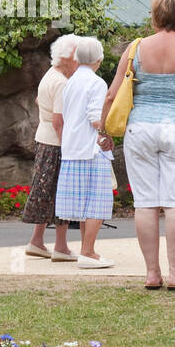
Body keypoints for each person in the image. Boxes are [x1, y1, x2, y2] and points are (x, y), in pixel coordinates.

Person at [102, 0, 175, 289]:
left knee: (145, 204)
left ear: (155, 17)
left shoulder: (135, 49)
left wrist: (104, 131)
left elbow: (113, 94)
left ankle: (152, 274)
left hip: (141, 129)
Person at [54, 37, 114, 268]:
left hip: (71, 148)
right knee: (97, 202)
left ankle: (86, 250)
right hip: (91, 150)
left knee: (83, 204)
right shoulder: (97, 83)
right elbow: (95, 118)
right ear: (99, 59)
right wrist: (110, 128)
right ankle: (88, 252)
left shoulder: (70, 82)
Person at [22, 34, 80, 261]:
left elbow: (39, 101)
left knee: (46, 192)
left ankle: (37, 241)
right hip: (56, 143)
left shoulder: (50, 75)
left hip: (44, 138)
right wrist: (69, 148)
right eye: (77, 56)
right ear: (66, 57)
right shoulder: (62, 83)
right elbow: (59, 121)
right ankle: (61, 246)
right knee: (60, 193)